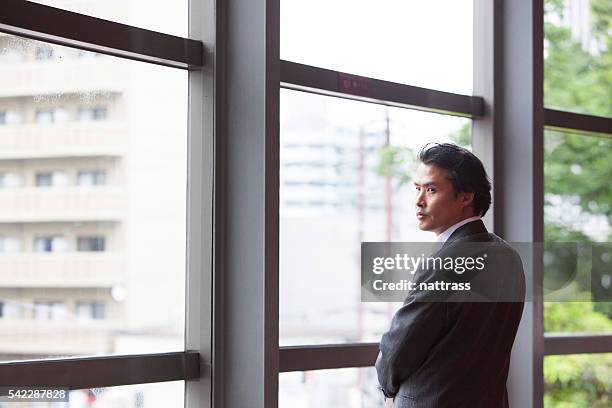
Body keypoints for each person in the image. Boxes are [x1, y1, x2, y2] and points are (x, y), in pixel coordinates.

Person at [375, 143, 525, 408]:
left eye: (431, 190)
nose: (419, 201)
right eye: (417, 189)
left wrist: (387, 390)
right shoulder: (508, 257)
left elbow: (399, 346)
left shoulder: (445, 262)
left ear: (466, 196)